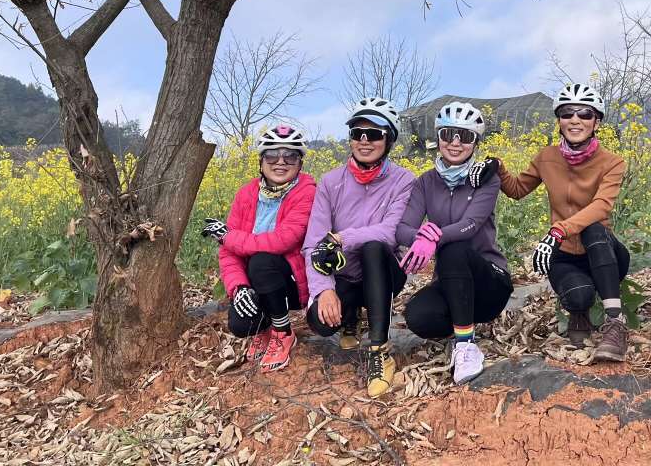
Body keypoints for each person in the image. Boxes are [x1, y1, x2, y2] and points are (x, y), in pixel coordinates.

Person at [479, 83, 631, 361]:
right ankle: (580, 313)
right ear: (559, 121)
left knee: (593, 228)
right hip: (566, 255)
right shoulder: (546, 157)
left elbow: (602, 205)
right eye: (567, 113)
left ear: (596, 122)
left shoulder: (612, 162)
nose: (575, 120)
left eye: (585, 114)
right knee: (578, 296)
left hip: (604, 253)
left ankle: (615, 322)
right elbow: (517, 190)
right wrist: (498, 167)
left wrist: (558, 230)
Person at [302, 97, 415, 398]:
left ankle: (380, 351)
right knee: (319, 323)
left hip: (383, 273)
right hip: (344, 275)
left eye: (374, 134)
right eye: (357, 133)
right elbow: (313, 243)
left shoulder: (404, 180)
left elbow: (391, 232)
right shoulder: (330, 182)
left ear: (388, 139)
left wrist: (342, 237)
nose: (365, 141)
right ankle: (350, 316)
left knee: (373, 247)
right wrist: (324, 290)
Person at [396, 101, 513, 384]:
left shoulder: (486, 179)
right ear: (438, 138)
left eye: (466, 136)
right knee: (418, 317)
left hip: (489, 283)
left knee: (454, 247)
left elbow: (471, 223)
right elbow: (402, 228)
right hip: (452, 283)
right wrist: (419, 237)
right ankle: (462, 324)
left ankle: (465, 345)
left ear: (476, 142)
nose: (456, 142)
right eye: (448, 134)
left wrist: (435, 236)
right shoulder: (425, 182)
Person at [201, 125, 316, 372]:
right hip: (257, 279)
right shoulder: (246, 194)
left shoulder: (307, 192)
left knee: (262, 260)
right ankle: (265, 329)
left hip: (291, 283)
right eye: (272, 155)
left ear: (300, 163)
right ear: (261, 162)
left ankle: (283, 332)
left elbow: (283, 240)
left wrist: (228, 236)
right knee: (241, 324)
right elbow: (228, 252)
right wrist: (239, 287)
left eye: (290, 156)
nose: (281, 162)